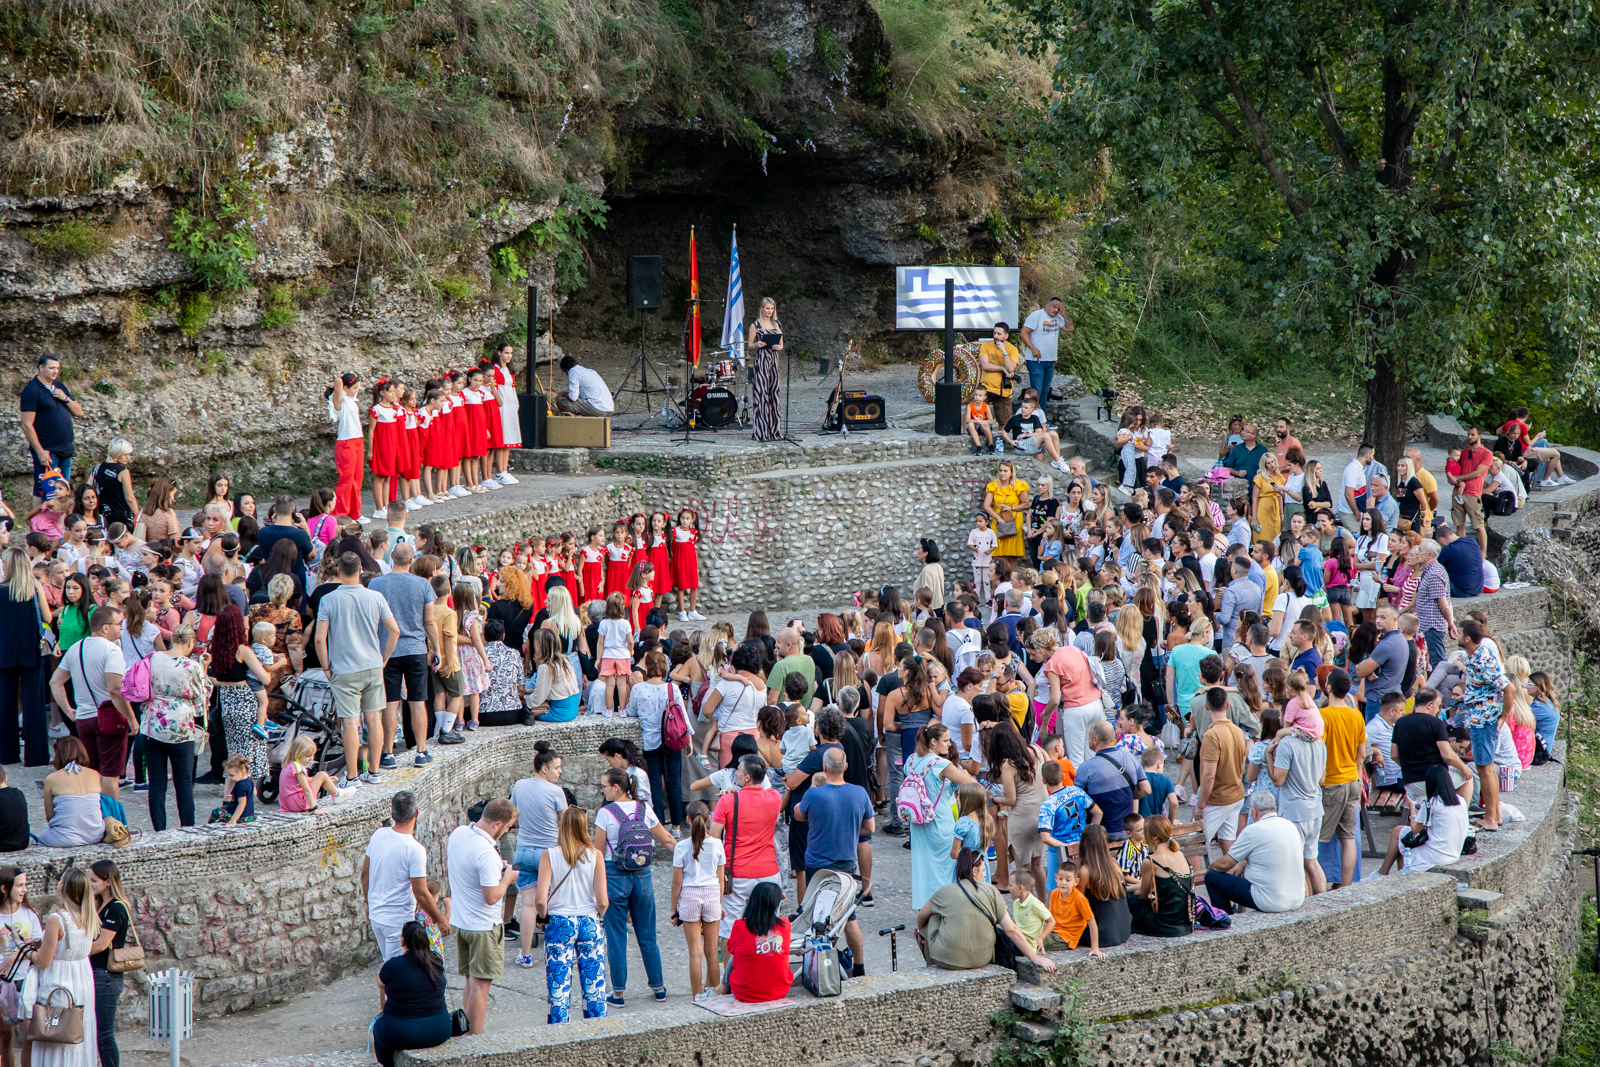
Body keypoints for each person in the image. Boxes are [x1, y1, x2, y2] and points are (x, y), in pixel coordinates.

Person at [315, 552, 401, 791]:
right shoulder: (375, 596)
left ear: (339, 570)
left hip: (344, 669)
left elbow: (320, 640)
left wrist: (326, 667)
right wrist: (383, 659)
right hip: (373, 665)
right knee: (374, 719)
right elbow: (394, 631)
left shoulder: (329, 600)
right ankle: (374, 771)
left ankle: (352, 776)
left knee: (351, 723)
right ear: (361, 568)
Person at [593, 767, 676, 1006]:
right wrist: (689, 861)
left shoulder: (606, 813)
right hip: (643, 875)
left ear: (616, 787)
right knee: (647, 935)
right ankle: (659, 988)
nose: (603, 790)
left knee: (617, 936)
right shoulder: (644, 809)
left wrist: (593, 886)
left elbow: (598, 853)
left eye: (604, 786)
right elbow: (667, 839)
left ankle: (618, 993)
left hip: (614, 876)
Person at [793, 745, 874, 968]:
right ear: (845, 767)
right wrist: (848, 826)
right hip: (846, 863)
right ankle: (859, 966)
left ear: (824, 767)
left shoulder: (814, 793)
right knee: (849, 916)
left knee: (817, 916)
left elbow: (799, 815)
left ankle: (823, 964)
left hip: (817, 867)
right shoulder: (859, 793)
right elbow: (870, 827)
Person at [49, 605, 137, 799]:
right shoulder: (112, 651)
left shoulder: (75, 648)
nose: (121, 628)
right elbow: (114, 690)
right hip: (108, 718)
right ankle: (111, 820)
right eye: (118, 624)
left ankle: (93, 815)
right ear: (106, 627)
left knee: (91, 771)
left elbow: (55, 682)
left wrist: (68, 710)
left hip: (83, 718)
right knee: (110, 775)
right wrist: (131, 718)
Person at [446, 798, 517, 1035]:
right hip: (484, 927)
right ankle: (476, 1039)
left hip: (461, 922)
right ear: (498, 823)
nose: (507, 832)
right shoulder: (486, 852)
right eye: (507, 828)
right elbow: (491, 896)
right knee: (480, 986)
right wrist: (507, 878)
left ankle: (466, 1029)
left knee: (469, 980)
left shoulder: (459, 834)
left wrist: (497, 868)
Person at [535, 806, 608, 1024]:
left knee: (558, 986)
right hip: (589, 920)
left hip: (559, 922)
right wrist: (599, 916)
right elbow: (603, 900)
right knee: (594, 985)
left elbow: (540, 899)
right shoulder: (595, 855)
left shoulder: (549, 855)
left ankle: (559, 1033)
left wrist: (543, 916)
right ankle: (597, 1031)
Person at [370, 544, 438, 767]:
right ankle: (420, 751)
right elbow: (429, 620)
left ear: (391, 557)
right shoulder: (423, 584)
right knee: (418, 701)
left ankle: (388, 753)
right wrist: (436, 648)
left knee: (391, 702)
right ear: (413, 560)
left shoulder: (376, 584)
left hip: (387, 651)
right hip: (416, 649)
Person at [25, 867, 98, 1067]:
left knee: (55, 1033)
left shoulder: (56, 919)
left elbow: (43, 961)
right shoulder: (89, 916)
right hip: (83, 980)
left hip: (60, 981)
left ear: (64, 887)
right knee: (77, 1031)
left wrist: (26, 951)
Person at [364, 792, 449, 963]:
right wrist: (440, 919)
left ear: (392, 814)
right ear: (416, 813)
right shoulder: (414, 849)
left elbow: (365, 875)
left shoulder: (378, 835)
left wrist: (368, 903)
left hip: (376, 916)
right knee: (397, 972)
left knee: (389, 969)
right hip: (398, 921)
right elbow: (421, 893)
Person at [710, 754, 784, 950]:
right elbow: (760, 796)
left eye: (739, 771)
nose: (735, 773)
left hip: (736, 873)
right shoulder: (775, 798)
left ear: (747, 777)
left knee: (730, 930)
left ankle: (730, 978)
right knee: (769, 930)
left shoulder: (727, 801)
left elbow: (712, 838)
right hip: (768, 872)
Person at [1204, 792, 1306, 913]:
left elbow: (1225, 864)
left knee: (1212, 877)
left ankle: (1223, 920)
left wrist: (1210, 868)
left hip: (1270, 901)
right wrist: (1243, 864)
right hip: (1297, 898)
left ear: (1254, 811)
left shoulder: (1253, 830)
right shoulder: (1290, 825)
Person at [1459, 621, 1514, 832]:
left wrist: (1503, 716)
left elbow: (1509, 689)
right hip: (1480, 719)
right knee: (1486, 768)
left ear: (1467, 639)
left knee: (1484, 768)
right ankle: (1496, 815)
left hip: (1484, 721)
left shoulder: (1481, 659)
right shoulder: (1476, 656)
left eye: (1459, 631)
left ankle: (1490, 819)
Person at [371, 921, 452, 1065]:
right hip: (440, 1029)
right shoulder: (436, 961)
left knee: (378, 1028)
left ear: (402, 940)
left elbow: (379, 984)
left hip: (404, 1032)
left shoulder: (393, 965)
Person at [623, 649, 686, 833]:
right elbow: (681, 714)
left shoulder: (639, 688)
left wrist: (630, 688)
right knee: (674, 781)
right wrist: (687, 738)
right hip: (672, 739)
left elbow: (631, 712)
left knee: (655, 784)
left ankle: (659, 828)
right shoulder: (672, 688)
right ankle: (676, 827)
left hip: (650, 741)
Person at [0, 547, 52, 766]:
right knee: (35, 703)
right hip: (31, 649)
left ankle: (7, 753)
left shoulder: (0, 590)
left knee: (5, 703)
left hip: (4, 650)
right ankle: (37, 755)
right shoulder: (34, 587)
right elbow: (48, 617)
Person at [1266, 718, 1329, 896]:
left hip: (1295, 812)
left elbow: (1278, 780)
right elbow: (1322, 779)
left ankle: (1306, 908)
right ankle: (1325, 906)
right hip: (1315, 809)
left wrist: (1269, 756)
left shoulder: (1287, 744)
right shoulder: (1320, 742)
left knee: (1296, 864)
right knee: (1312, 861)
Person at [670, 801, 725, 1001]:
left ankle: (697, 996)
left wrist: (673, 908)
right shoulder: (718, 844)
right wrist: (719, 904)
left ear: (687, 819)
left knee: (695, 952)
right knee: (712, 951)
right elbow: (720, 879)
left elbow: (677, 882)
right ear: (708, 818)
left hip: (690, 896)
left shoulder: (681, 846)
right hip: (711, 895)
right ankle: (715, 995)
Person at [1379, 763, 1472, 875]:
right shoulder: (1460, 800)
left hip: (1436, 856)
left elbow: (1415, 830)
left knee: (1401, 838)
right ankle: (1392, 874)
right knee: (1401, 836)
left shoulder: (1432, 803)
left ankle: (1388, 873)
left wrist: (1412, 808)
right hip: (1454, 853)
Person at [19, 354, 82, 507]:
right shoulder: (32, 390)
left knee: (64, 488)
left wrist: (65, 398)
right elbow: (27, 425)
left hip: (65, 448)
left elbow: (79, 411)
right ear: (41, 368)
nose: (55, 371)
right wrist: (40, 451)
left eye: (57, 368)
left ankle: (59, 525)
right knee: (44, 487)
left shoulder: (60, 387)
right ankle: (37, 525)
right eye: (51, 368)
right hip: (48, 450)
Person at [88, 859, 133, 1067]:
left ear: (107, 882)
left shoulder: (116, 908)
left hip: (106, 974)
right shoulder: (99, 904)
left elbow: (102, 944)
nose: (90, 884)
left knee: (104, 1033)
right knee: (97, 1031)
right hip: (96, 971)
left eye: (94, 880)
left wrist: (73, 953)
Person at [1195, 687, 1249, 862]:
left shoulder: (1211, 735)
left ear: (1206, 707)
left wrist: (1201, 805)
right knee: (1228, 841)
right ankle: (1234, 878)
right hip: (1236, 795)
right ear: (1227, 705)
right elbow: (1242, 768)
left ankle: (1191, 886)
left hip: (1217, 799)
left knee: (1193, 843)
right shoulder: (1238, 731)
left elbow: (1209, 776)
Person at [714, 881, 791, 1002]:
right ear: (776, 906)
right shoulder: (785, 925)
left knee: (736, 955)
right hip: (779, 990)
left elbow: (730, 948)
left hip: (745, 992)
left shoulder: (740, 926)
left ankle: (721, 988)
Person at [0, 867, 41, 1067]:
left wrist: (13, 956)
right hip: (1, 983)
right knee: (4, 1037)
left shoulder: (30, 915)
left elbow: (38, 944)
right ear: (4, 888)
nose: (24, 889)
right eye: (20, 885)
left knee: (29, 1038)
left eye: (25, 884)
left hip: (25, 981)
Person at [327, 372, 368, 524]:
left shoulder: (351, 399)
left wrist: (353, 386)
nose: (356, 390)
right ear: (344, 388)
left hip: (357, 440)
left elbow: (348, 386)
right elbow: (338, 381)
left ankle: (355, 512)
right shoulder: (339, 400)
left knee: (357, 478)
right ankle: (341, 513)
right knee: (346, 479)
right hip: (346, 442)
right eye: (354, 388)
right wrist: (337, 384)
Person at [1019, 296, 1074, 404]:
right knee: (1037, 391)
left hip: (1050, 360)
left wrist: (1064, 312)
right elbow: (1023, 333)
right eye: (1054, 307)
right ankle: (1033, 417)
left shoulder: (1058, 318)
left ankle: (1042, 418)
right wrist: (1033, 349)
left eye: (1059, 309)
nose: (1056, 310)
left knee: (1045, 391)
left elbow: (1070, 328)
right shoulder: (1037, 316)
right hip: (1036, 361)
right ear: (1047, 305)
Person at [746, 297, 784, 442]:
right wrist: (758, 344)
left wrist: (778, 347)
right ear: (762, 308)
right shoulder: (755, 325)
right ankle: (761, 432)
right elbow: (749, 345)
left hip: (774, 360)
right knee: (761, 395)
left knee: (774, 394)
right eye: (767, 308)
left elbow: (781, 345)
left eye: (772, 308)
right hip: (762, 359)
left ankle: (775, 431)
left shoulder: (776, 324)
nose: (770, 311)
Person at [1451, 426, 1493, 554]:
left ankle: (1483, 554)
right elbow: (1452, 466)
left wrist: (1458, 478)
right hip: (1458, 491)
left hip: (1473, 493)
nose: (1469, 437)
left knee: (1479, 525)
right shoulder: (1462, 452)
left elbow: (1477, 473)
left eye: (1472, 434)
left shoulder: (1487, 453)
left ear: (1480, 436)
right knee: (1459, 524)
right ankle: (1462, 553)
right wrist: (1451, 477)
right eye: (1468, 434)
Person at [1435, 523, 1484, 598]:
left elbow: (1432, 566)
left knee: (1429, 583)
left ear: (1441, 539)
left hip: (1461, 590)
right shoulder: (1471, 540)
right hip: (1477, 588)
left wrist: (1428, 539)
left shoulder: (1448, 549)